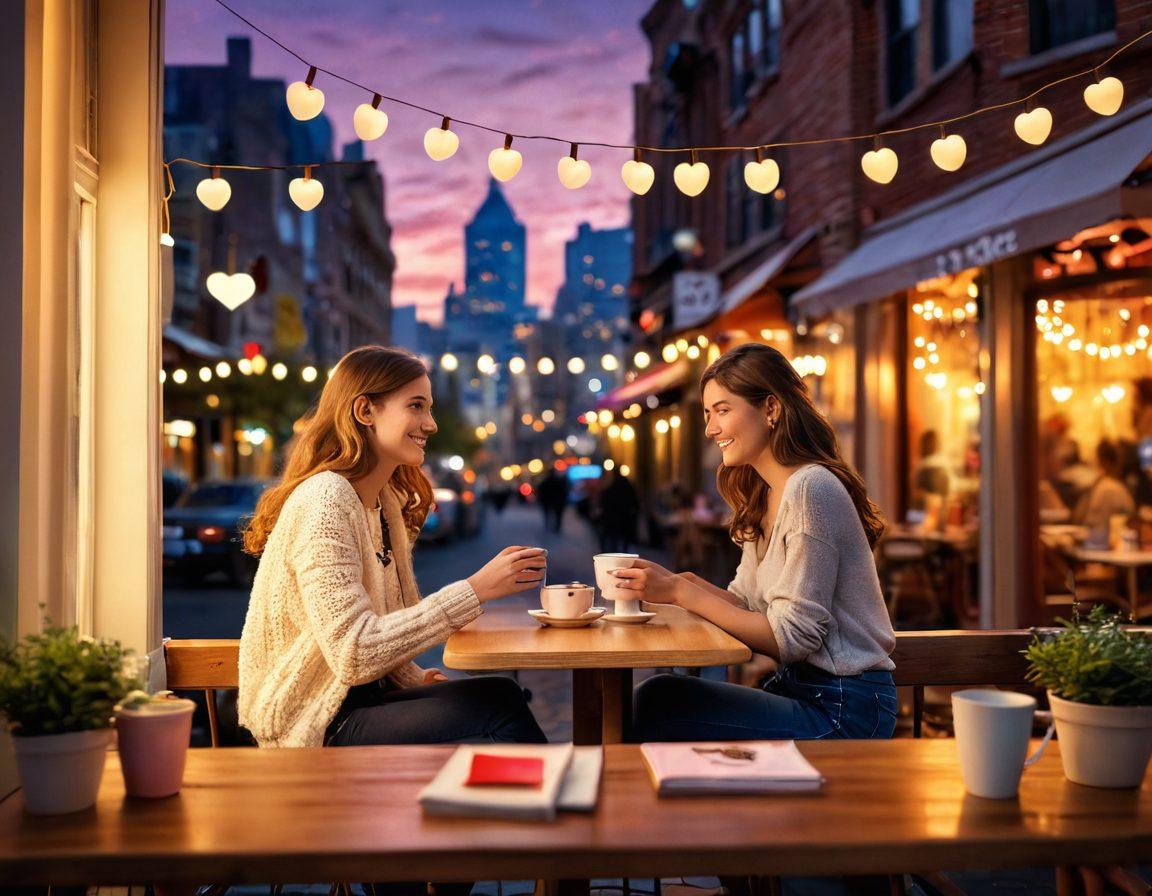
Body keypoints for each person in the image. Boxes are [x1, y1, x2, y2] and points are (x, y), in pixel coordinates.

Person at [238, 346, 547, 750]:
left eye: (430, 408)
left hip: (360, 703)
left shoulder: (384, 502)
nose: (431, 424)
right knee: (499, 711)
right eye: (416, 406)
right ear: (365, 411)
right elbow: (355, 651)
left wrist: (411, 680)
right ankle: (554, 803)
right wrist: (475, 589)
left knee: (502, 695)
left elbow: (380, 626)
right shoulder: (326, 500)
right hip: (312, 726)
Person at [615, 343, 898, 741]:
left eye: (723, 410)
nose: (711, 428)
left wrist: (680, 592)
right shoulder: (765, 494)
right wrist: (681, 582)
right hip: (805, 693)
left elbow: (792, 639)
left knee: (659, 702)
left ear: (771, 408)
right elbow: (748, 605)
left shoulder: (811, 488)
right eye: (708, 414)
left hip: (843, 709)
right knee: (659, 696)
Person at [1072, 438, 1135, 539]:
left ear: (1102, 461)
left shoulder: (1109, 488)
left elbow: (1098, 527)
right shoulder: (1113, 486)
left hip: (1102, 546)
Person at [596, 468, 641, 553]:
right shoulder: (625, 483)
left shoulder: (609, 484)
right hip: (623, 517)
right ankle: (621, 555)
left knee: (612, 540)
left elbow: (603, 500)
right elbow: (633, 499)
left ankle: (612, 556)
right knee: (622, 540)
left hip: (612, 519)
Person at [536, 465, 570, 534]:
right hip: (555, 501)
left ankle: (549, 526)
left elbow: (540, 491)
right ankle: (556, 527)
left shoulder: (545, 482)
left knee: (548, 514)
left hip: (549, 501)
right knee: (557, 515)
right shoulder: (558, 481)